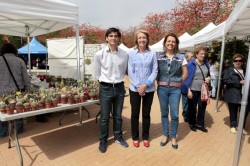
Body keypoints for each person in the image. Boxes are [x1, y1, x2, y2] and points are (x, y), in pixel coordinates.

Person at [93, 27, 129, 153]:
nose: (113, 38)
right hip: (105, 88)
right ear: (106, 38)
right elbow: (97, 73)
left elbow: (125, 71)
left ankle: (118, 137)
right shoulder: (99, 54)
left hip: (119, 88)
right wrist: (104, 84)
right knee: (104, 117)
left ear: (118, 38)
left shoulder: (124, 54)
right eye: (111, 36)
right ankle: (103, 141)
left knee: (118, 116)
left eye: (115, 36)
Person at [157, 33, 188, 149]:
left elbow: (185, 73)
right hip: (162, 89)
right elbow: (156, 72)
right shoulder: (159, 57)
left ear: (176, 44)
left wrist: (179, 82)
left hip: (175, 90)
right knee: (164, 113)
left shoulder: (181, 57)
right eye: (168, 41)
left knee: (174, 114)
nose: (170, 43)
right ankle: (165, 135)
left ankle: (173, 136)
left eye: (173, 42)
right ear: (165, 43)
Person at [127, 30, 158, 148]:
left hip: (149, 89)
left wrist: (145, 85)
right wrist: (139, 86)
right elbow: (130, 70)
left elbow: (155, 70)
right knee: (135, 114)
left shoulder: (153, 53)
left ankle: (145, 137)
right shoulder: (131, 53)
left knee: (146, 114)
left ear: (147, 39)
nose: (142, 40)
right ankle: (135, 137)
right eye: (140, 38)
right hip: (135, 89)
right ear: (137, 39)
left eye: (144, 37)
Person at [0, 43, 30, 138]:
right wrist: (28, 91)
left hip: (1, 92)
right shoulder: (20, 61)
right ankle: (18, 132)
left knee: (2, 112)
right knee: (18, 110)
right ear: (14, 50)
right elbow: (26, 79)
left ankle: (2, 133)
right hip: (17, 92)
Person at [182, 46, 211, 133]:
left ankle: (200, 124)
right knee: (192, 107)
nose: (203, 55)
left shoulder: (206, 64)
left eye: (204, 54)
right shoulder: (191, 64)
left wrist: (208, 78)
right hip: (193, 89)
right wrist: (188, 90)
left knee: (202, 107)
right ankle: (192, 123)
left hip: (203, 90)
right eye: (201, 54)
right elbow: (186, 78)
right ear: (196, 54)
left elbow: (208, 75)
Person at [222, 54, 247, 134]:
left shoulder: (246, 71)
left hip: (244, 94)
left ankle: (241, 127)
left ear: (242, 62)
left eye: (240, 61)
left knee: (243, 111)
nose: (238, 62)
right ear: (233, 62)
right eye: (236, 61)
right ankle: (233, 125)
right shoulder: (228, 71)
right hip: (233, 93)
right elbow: (226, 80)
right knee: (233, 110)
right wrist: (239, 82)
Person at [181, 52, 194, 122]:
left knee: (190, 103)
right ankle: (185, 114)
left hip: (191, 87)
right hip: (184, 87)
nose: (192, 58)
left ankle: (187, 114)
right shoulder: (184, 66)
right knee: (185, 104)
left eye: (193, 57)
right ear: (186, 58)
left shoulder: (194, 65)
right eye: (191, 57)